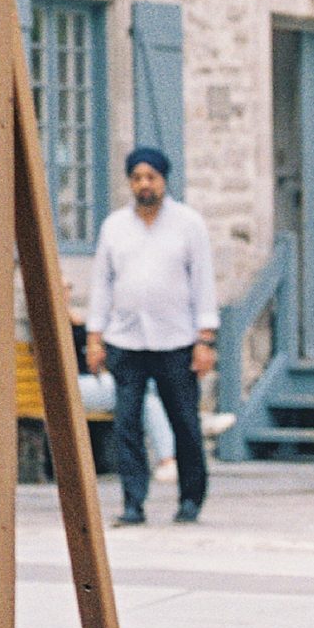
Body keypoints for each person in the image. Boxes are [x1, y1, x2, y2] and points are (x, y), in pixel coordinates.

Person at [86, 147, 218, 528]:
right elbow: (101, 284)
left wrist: (204, 338)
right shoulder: (114, 226)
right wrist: (95, 336)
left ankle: (190, 498)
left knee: (184, 421)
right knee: (127, 422)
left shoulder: (188, 223)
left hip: (176, 340)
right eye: (137, 178)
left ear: (163, 180)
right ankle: (133, 501)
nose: (144, 184)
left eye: (151, 177)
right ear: (130, 182)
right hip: (126, 340)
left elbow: (202, 281)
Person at [64, 273, 175, 470]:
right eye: (63, 288)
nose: (67, 293)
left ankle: (167, 461)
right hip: (72, 387)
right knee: (144, 385)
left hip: (91, 383)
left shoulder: (77, 320)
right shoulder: (51, 321)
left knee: (148, 401)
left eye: (69, 288)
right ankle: (187, 432)